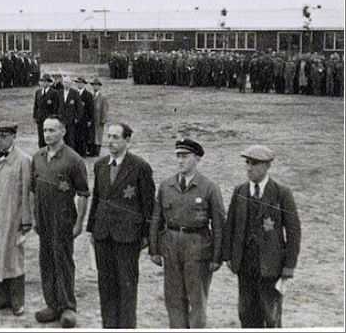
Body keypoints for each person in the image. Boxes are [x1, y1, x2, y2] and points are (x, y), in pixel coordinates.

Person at [149, 139, 225, 328]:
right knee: (173, 299)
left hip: (198, 247)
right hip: (171, 246)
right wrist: (154, 249)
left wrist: (217, 257)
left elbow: (218, 225)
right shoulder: (167, 186)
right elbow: (157, 220)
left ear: (197, 159)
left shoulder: (208, 187)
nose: (181, 161)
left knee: (197, 300)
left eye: (185, 156)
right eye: (178, 156)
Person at [223, 145, 301, 328]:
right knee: (246, 313)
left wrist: (289, 267)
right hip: (245, 265)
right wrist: (228, 256)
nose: (249, 168)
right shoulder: (240, 191)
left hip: (271, 267)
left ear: (267, 166)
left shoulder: (281, 193)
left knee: (271, 316)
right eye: (247, 163)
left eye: (255, 164)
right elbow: (230, 226)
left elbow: (293, 232)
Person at [86, 122, 155, 328]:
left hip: (128, 236)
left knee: (126, 286)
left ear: (127, 140)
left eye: (116, 137)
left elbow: (148, 205)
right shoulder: (100, 165)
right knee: (105, 286)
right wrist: (92, 228)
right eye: (108, 137)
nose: (111, 141)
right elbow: (97, 198)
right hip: (103, 234)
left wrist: (145, 236)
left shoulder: (140, 167)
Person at [32, 116, 89, 328]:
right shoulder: (38, 156)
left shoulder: (74, 160)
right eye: (45, 130)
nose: (47, 134)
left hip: (63, 217)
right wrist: (34, 215)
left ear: (63, 132)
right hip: (43, 217)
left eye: (52, 130)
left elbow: (83, 193)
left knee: (62, 260)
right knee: (46, 259)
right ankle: (52, 304)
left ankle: (67, 307)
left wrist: (79, 222)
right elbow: (32, 189)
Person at [0, 121, 33, 316]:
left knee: (13, 259)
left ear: (13, 137)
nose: (0, 140)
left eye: (4, 136)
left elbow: (28, 193)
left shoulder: (23, 160)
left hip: (12, 217)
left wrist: (26, 220)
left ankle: (17, 301)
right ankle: (1, 297)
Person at [57, 75, 83, 152]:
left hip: (71, 120)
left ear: (70, 83)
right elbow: (56, 106)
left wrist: (77, 118)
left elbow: (79, 107)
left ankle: (71, 154)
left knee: (70, 138)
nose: (66, 84)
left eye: (67, 82)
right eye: (64, 82)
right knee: (61, 137)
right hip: (61, 119)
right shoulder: (59, 93)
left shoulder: (74, 93)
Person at [33, 74, 60, 148]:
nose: (43, 83)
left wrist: (54, 118)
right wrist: (34, 116)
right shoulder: (38, 92)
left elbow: (55, 107)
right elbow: (36, 105)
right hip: (40, 118)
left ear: (48, 82)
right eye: (42, 81)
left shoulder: (54, 93)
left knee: (49, 136)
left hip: (49, 118)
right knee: (41, 136)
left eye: (45, 81)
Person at [73, 77, 94, 157]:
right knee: (75, 135)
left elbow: (91, 109)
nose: (79, 84)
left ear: (84, 84)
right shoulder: (74, 93)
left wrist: (90, 120)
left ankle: (83, 153)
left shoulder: (88, 95)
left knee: (83, 136)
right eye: (78, 83)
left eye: (81, 83)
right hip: (76, 119)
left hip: (84, 119)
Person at [89, 78, 109, 156]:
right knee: (93, 135)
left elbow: (104, 109)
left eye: (97, 85)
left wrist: (103, 120)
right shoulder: (91, 96)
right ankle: (92, 150)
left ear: (99, 86)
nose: (95, 87)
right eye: (94, 85)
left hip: (99, 120)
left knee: (98, 136)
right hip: (93, 119)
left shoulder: (102, 97)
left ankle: (97, 151)